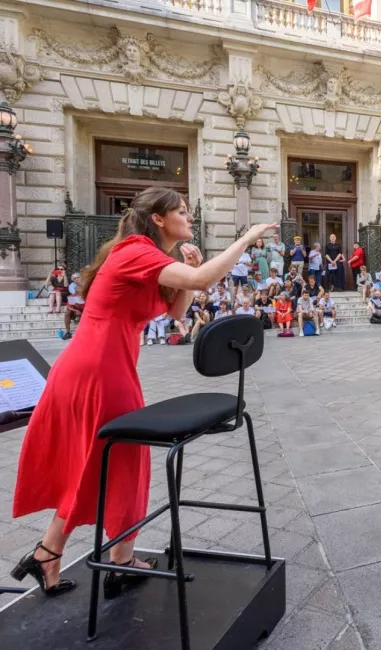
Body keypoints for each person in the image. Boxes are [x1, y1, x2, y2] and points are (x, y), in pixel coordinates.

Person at [11, 187, 276, 597]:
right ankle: (118, 561)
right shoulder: (135, 251)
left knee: (97, 462)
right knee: (122, 461)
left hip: (103, 365)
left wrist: (193, 271)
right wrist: (245, 238)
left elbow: (175, 312)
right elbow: (205, 281)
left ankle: (50, 553)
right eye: (182, 211)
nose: (189, 217)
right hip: (97, 369)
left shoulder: (147, 256)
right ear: (158, 218)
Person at [62, 273, 85, 340]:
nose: (78, 290)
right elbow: (68, 306)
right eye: (77, 289)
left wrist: (80, 309)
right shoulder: (73, 296)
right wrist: (76, 310)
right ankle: (68, 332)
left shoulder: (86, 295)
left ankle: (82, 332)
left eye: (77, 277)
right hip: (76, 312)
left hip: (85, 311)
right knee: (67, 312)